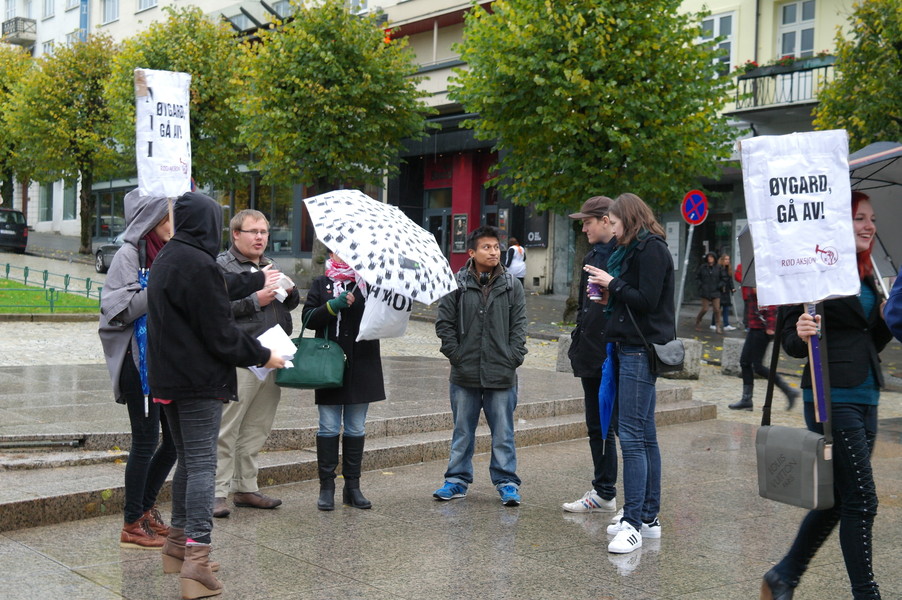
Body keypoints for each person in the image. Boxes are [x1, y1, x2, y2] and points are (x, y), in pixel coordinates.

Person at [147, 191, 285, 600]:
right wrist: (263, 355)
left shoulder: (170, 256)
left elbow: (218, 284)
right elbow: (222, 335)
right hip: (198, 381)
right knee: (204, 466)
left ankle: (177, 546)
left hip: (169, 378)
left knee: (188, 461)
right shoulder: (199, 263)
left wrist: (258, 279)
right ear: (210, 223)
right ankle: (198, 559)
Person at [762, 191, 889, 600]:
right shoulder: (811, 270)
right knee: (863, 499)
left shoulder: (867, 272)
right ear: (837, 223)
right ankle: (866, 594)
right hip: (830, 395)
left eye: (872, 219)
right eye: (860, 218)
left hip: (867, 392)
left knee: (839, 499)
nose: (869, 226)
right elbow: (790, 342)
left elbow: (868, 339)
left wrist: (886, 318)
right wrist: (800, 331)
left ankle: (784, 575)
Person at [584, 193, 673, 555]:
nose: (614, 230)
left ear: (630, 219)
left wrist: (613, 284)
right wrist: (612, 297)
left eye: (617, 223)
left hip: (639, 348)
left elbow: (649, 300)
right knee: (644, 435)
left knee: (634, 438)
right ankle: (648, 518)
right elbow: (636, 299)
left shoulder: (652, 249)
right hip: (626, 345)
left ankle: (634, 522)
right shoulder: (634, 249)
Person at [99, 190, 177, 549]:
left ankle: (144, 510)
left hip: (166, 361)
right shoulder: (128, 255)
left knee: (173, 442)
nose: (174, 223)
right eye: (168, 216)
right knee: (145, 441)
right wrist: (161, 284)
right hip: (138, 362)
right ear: (152, 220)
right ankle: (131, 523)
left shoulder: (166, 253)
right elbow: (119, 310)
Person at [213, 210, 300, 518]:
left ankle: (245, 487)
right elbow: (214, 308)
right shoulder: (222, 266)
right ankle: (216, 492)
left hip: (272, 355)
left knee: (257, 428)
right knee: (226, 428)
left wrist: (290, 293)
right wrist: (254, 300)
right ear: (236, 234)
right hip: (240, 357)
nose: (260, 237)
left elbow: (285, 304)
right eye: (254, 232)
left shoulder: (269, 265)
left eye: (264, 232)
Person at [433, 225, 528, 506]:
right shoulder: (456, 284)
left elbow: (519, 327)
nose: (493, 252)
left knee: (503, 433)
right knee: (463, 431)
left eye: (496, 247)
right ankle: (456, 480)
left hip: (502, 371)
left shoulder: (512, 285)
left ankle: (507, 482)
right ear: (472, 252)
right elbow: (444, 324)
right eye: (486, 247)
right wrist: (456, 355)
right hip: (465, 371)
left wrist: (513, 357)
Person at [302, 250, 385, 511]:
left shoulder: (369, 285)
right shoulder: (321, 283)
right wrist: (333, 305)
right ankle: (327, 487)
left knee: (356, 428)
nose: (347, 255)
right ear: (331, 252)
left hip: (362, 363)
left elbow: (384, 318)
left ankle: (353, 487)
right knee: (328, 427)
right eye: (341, 251)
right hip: (328, 364)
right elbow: (307, 319)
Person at [562, 196, 620, 516]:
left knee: (618, 429)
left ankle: (621, 498)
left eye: (587, 222)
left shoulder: (624, 254)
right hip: (590, 354)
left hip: (614, 353)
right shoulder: (593, 254)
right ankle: (604, 491)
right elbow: (588, 306)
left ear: (605, 220)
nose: (583, 228)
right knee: (597, 427)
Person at [727, 287, 799, 411]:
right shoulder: (753, 281)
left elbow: (771, 304)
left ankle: (788, 390)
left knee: (757, 366)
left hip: (761, 328)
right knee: (745, 362)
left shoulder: (763, 282)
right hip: (754, 326)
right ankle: (746, 400)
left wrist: (770, 326)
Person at [695, 252, 723, 333]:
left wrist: (719, 285)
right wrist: (701, 285)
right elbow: (697, 277)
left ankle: (718, 326)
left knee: (717, 309)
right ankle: (698, 320)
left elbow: (723, 278)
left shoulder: (719, 268)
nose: (709, 258)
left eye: (711, 257)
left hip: (715, 291)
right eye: (708, 257)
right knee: (705, 309)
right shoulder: (703, 267)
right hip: (705, 291)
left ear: (714, 258)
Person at [711, 254, 737, 331]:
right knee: (717, 308)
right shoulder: (718, 269)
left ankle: (726, 324)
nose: (727, 261)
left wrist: (732, 288)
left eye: (728, 259)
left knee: (726, 308)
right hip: (719, 291)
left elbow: (730, 280)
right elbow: (716, 279)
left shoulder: (728, 269)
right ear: (722, 260)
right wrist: (719, 286)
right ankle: (713, 323)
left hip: (726, 291)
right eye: (726, 259)